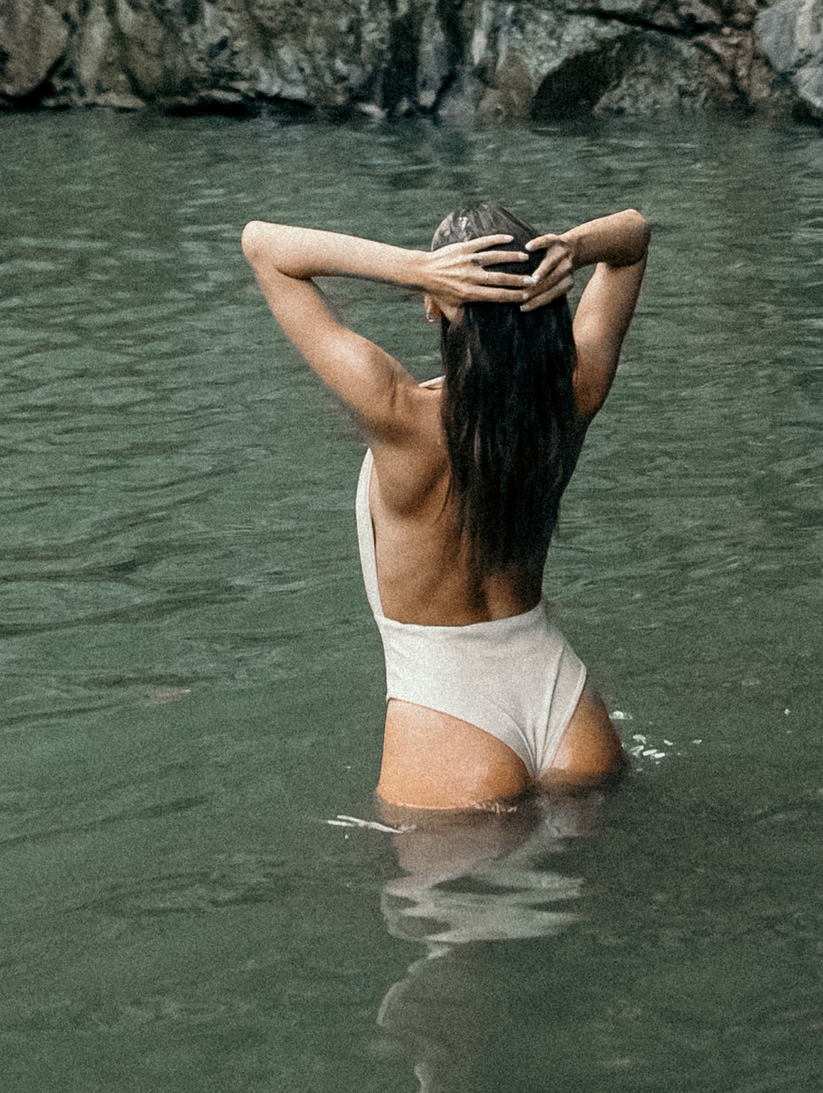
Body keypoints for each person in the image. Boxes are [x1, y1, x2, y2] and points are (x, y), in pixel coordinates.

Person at [239, 195, 653, 811]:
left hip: (448, 712)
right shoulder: (571, 398)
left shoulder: (398, 413)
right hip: (567, 703)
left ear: (436, 303)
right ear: (548, 290)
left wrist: (413, 268)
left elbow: (264, 245)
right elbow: (635, 236)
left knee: (439, 900)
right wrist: (573, 247)